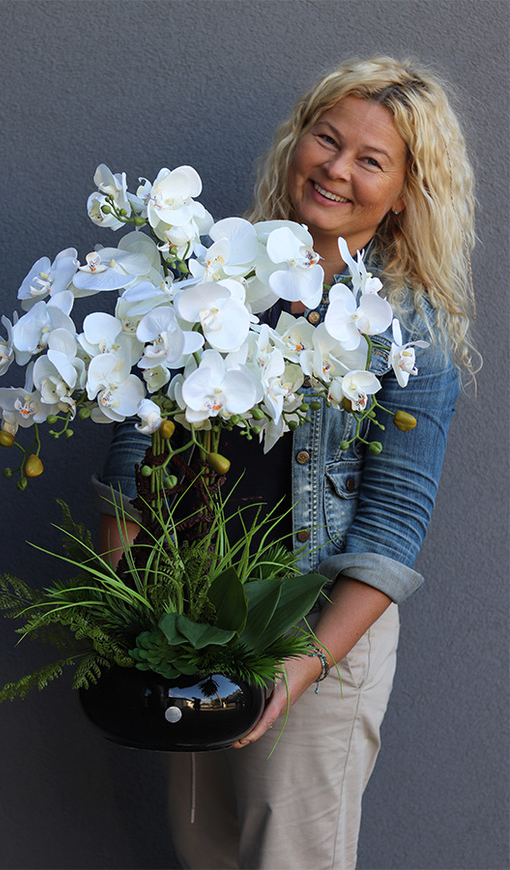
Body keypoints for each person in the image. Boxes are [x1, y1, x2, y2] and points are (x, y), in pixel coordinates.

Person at [95, 56, 478, 870]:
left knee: (289, 859)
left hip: (315, 635)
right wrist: (127, 609)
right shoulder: (212, 275)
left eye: (371, 160)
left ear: (406, 191)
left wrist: (299, 670)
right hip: (187, 620)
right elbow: (135, 440)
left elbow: (392, 529)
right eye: (326, 139)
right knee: (204, 850)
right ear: (296, 140)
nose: (337, 168)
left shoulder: (409, 337)